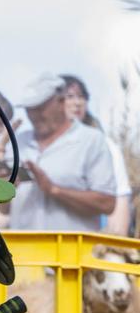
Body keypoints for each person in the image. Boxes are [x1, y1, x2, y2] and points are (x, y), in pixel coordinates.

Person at [9, 73, 118, 233]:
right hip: (23, 252)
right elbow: (4, 210)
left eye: (40, 108)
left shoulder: (91, 141)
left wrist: (54, 190)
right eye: (29, 110)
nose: (34, 116)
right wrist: (4, 185)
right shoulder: (17, 142)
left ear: (61, 101)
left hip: (71, 253)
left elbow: (107, 203)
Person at [61, 74, 127, 233]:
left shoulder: (105, 145)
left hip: (88, 241)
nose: (77, 103)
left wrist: (115, 243)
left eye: (81, 97)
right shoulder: (33, 147)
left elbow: (120, 198)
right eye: (69, 96)